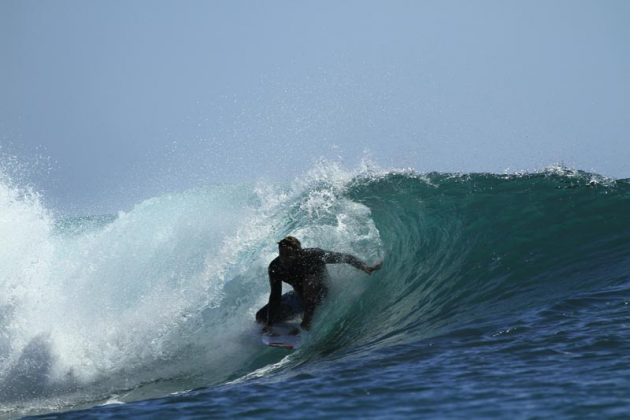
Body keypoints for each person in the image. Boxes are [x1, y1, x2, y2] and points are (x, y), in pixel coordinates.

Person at [256, 236, 382, 331]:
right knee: (261, 317)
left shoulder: (313, 255)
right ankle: (293, 321)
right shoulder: (276, 267)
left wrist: (366, 267)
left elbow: (345, 258)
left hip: (321, 295)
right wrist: (270, 322)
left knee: (309, 281)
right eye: (282, 254)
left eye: (289, 254)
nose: (284, 258)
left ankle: (307, 321)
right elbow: (275, 296)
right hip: (298, 298)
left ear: (298, 253)